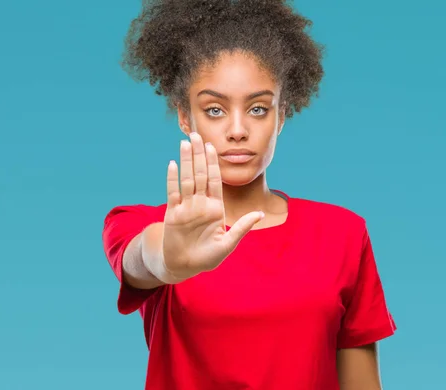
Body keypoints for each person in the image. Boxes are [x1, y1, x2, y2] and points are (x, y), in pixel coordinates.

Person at [101, 1, 396, 389]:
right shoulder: (143, 224)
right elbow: (142, 259)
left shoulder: (343, 234)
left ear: (282, 113)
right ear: (184, 116)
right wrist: (167, 259)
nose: (237, 130)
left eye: (258, 109)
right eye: (215, 110)